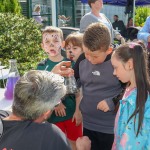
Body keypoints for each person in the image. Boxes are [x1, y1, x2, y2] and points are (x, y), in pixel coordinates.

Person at [78, 22, 123, 150]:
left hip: (110, 127)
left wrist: (113, 101)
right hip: (87, 124)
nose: (89, 59)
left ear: (109, 50)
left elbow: (131, 89)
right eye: (86, 53)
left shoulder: (117, 62)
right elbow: (74, 82)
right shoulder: (82, 59)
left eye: (95, 56)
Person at [0, 70, 70, 150]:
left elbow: (32, 89)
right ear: (46, 112)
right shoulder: (49, 135)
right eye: (57, 103)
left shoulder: (3, 116)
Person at [37, 26, 82, 150]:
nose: (51, 45)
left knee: (75, 144)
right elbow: (42, 90)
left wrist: (79, 111)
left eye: (55, 41)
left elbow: (79, 90)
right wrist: (57, 103)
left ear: (62, 44)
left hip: (72, 113)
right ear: (42, 46)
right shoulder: (41, 67)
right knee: (58, 145)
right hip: (53, 117)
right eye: (47, 42)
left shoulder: (72, 64)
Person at [111, 42, 150, 149]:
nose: (114, 73)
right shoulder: (130, 91)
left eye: (115, 67)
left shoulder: (137, 101)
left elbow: (131, 143)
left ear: (129, 64)